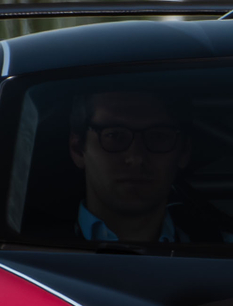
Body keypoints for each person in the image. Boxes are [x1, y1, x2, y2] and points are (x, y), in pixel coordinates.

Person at [66, 89, 193, 244]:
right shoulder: (32, 250)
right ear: (77, 149)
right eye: (114, 135)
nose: (136, 158)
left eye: (158, 136)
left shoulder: (226, 254)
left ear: (184, 152)